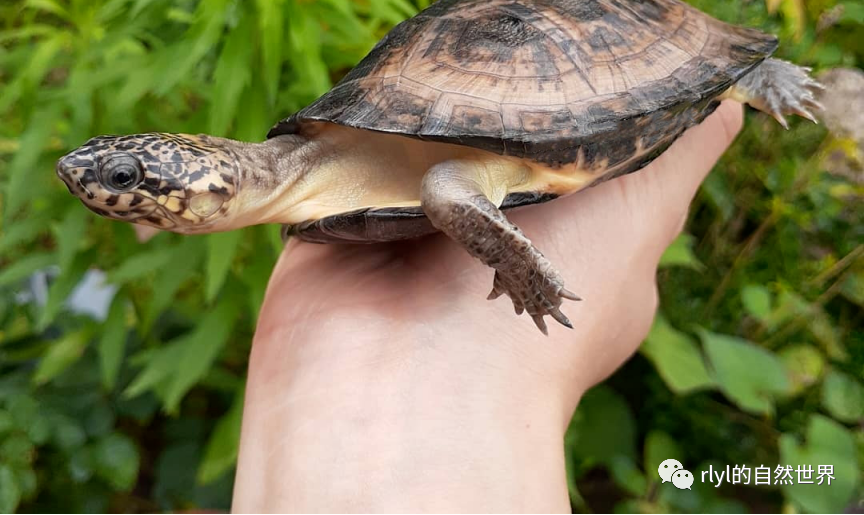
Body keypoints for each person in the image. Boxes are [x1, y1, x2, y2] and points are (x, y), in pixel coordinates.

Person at [231, 100, 744, 512]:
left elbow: (448, 192)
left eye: (146, 176)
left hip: (538, 102)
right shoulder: (318, 170)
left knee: (730, 93)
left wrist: (525, 274)